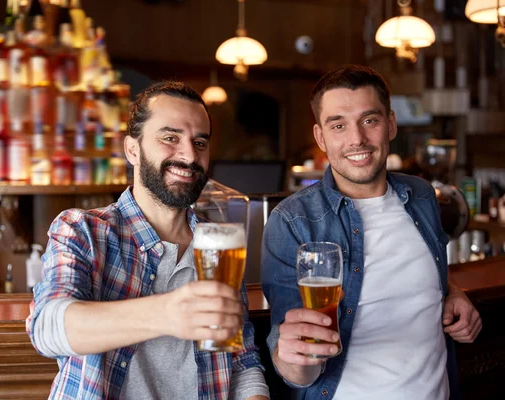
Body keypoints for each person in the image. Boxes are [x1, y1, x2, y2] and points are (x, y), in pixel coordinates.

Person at [26, 81, 270, 400]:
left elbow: (241, 359)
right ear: (132, 149)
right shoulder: (84, 230)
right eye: (170, 138)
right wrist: (167, 314)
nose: (188, 155)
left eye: (199, 142)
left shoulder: (219, 244)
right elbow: (47, 329)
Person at [261, 65, 481, 400]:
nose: (357, 139)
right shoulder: (292, 221)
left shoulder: (421, 196)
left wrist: (452, 291)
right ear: (321, 137)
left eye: (370, 120)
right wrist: (295, 358)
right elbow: (294, 363)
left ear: (390, 124)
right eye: (339, 125)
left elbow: (415, 267)